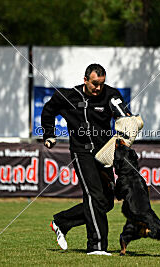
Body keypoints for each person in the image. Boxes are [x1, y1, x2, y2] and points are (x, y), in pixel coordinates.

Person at [41, 63, 131, 255]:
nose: (98, 88)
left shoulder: (111, 95)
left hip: (104, 153)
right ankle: (96, 246)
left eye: (101, 84)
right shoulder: (68, 96)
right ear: (85, 80)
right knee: (94, 196)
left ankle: (61, 222)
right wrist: (49, 134)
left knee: (106, 203)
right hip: (81, 152)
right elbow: (48, 110)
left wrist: (128, 124)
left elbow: (123, 115)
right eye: (95, 84)